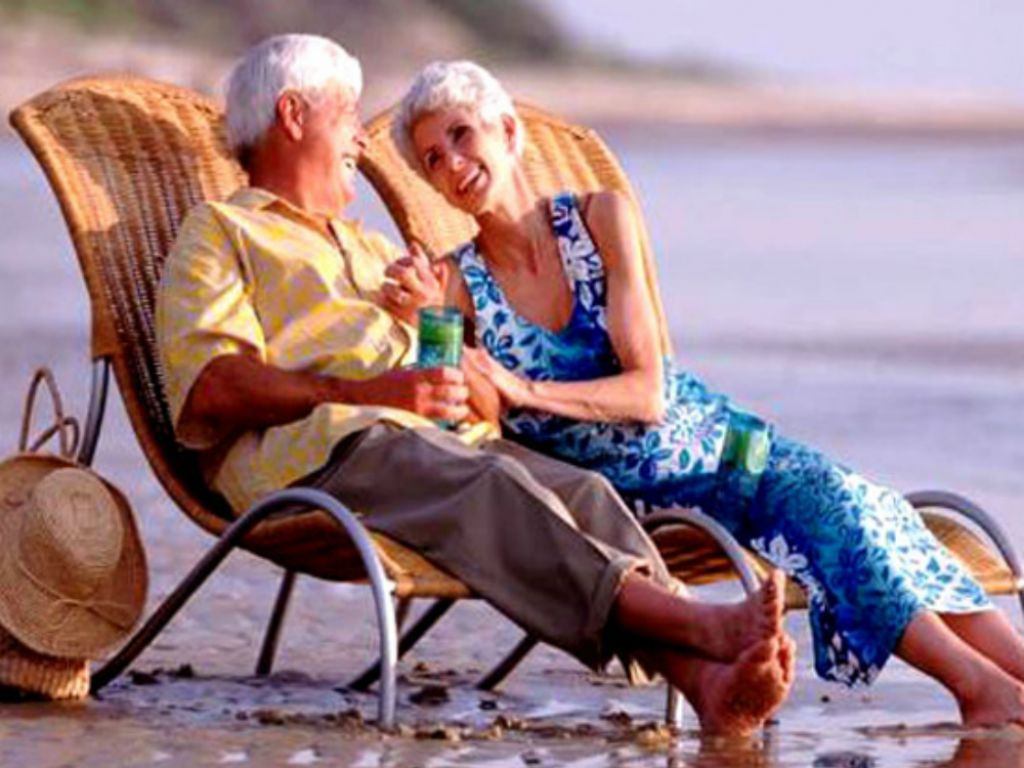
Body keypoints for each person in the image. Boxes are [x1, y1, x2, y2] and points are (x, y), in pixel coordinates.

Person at [155, 34, 796, 735]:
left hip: (436, 442)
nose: (360, 142)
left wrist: (438, 338)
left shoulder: (371, 249)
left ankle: (704, 682)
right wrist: (371, 394)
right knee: (489, 487)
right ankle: (702, 626)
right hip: (320, 457)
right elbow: (212, 388)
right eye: (347, 117)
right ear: (293, 114)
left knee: (584, 491)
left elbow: (456, 378)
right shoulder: (222, 231)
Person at [391, 59, 1024, 728]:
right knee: (829, 512)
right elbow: (460, 425)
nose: (452, 163)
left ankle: (1011, 673)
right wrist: (424, 328)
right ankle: (977, 689)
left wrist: (521, 387)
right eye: (433, 159)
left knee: (867, 504)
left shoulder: (600, 219)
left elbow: (647, 394)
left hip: (725, 443)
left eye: (461, 134)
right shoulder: (452, 287)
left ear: (507, 130)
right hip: (645, 495)